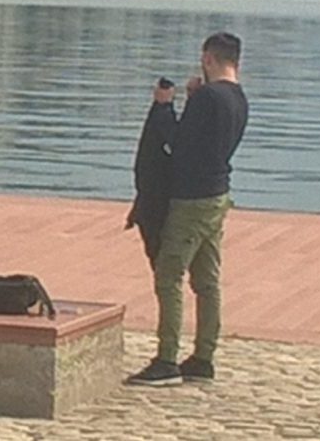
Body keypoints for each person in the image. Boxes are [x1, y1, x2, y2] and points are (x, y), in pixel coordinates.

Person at [129, 32, 249, 388]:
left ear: (208, 59)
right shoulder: (238, 98)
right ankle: (203, 356)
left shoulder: (209, 97)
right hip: (217, 194)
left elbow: (179, 144)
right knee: (207, 281)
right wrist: (194, 100)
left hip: (191, 199)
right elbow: (207, 141)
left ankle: (166, 359)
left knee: (169, 276)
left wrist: (165, 105)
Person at [126, 79, 179, 261]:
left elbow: (173, 143)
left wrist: (164, 107)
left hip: (156, 197)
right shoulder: (160, 116)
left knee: (161, 257)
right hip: (152, 194)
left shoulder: (162, 117)